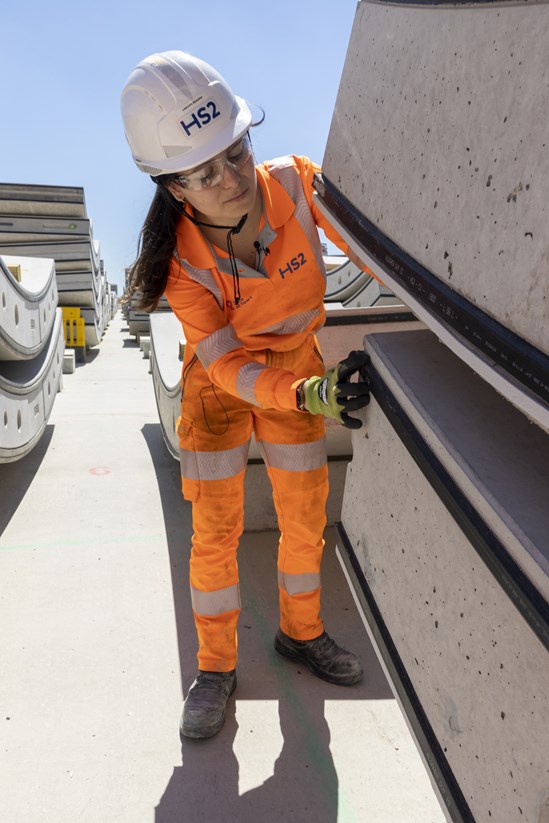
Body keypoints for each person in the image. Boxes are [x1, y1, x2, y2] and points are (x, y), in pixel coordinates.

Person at [120, 51, 371, 740]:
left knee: (302, 519)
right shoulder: (178, 265)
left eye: (234, 153)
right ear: (173, 188)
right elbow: (227, 365)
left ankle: (302, 633)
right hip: (220, 391)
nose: (229, 180)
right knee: (215, 534)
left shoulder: (297, 184)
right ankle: (215, 668)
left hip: (296, 363)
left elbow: (372, 250)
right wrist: (308, 393)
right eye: (202, 174)